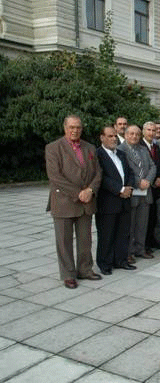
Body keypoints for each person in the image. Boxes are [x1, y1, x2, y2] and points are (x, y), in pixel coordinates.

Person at [45, 115, 103, 288]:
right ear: (65, 128)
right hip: (64, 201)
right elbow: (55, 176)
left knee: (85, 239)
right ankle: (68, 274)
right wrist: (79, 193)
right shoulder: (53, 148)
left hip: (87, 201)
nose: (75, 130)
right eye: (71, 127)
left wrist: (90, 190)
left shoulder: (90, 147)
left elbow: (98, 172)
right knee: (64, 241)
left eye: (78, 127)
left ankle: (85, 269)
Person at [96, 126, 136, 275]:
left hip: (125, 200)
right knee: (107, 234)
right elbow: (102, 177)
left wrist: (129, 187)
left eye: (114, 136)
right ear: (102, 138)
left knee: (123, 233)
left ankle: (121, 260)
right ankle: (105, 263)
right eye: (110, 136)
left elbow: (130, 172)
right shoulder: (98, 154)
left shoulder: (121, 153)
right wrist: (120, 190)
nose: (113, 139)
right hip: (108, 202)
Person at [119, 125, 156, 261]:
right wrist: (138, 181)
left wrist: (148, 180)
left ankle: (140, 249)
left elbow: (153, 166)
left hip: (146, 191)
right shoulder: (120, 150)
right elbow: (124, 170)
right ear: (126, 135)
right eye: (131, 134)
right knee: (130, 225)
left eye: (137, 134)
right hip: (132, 192)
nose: (134, 136)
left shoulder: (143, 149)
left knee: (142, 224)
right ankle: (128, 252)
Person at [141, 121, 160, 252]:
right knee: (145, 218)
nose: (151, 133)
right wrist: (152, 180)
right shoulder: (140, 146)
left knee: (154, 216)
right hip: (146, 187)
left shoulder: (156, 146)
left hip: (158, 187)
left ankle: (152, 241)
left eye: (153, 130)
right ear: (144, 132)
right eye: (149, 130)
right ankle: (144, 244)